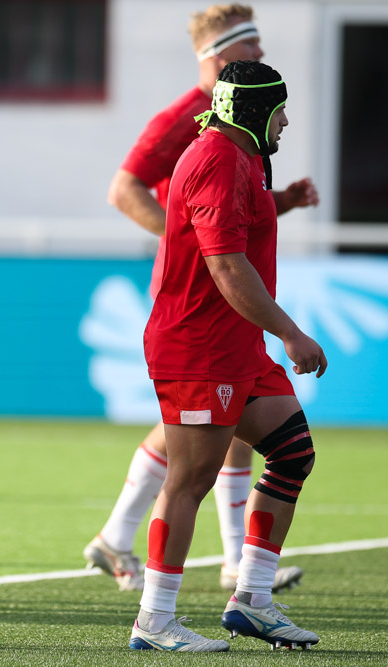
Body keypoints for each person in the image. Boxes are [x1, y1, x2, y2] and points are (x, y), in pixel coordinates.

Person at [88, 3, 315, 593]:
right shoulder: (196, 123)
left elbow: (234, 219)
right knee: (198, 456)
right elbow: (122, 188)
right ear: (218, 56)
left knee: (231, 440)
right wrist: (185, 239)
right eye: (252, 48)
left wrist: (278, 203)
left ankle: (210, 563)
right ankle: (182, 591)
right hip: (202, 297)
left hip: (227, 302)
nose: (261, 57)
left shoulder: (246, 134)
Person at [129, 59, 323, 652]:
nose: (286, 122)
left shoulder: (243, 158)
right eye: (280, 110)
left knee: (292, 454)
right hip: (198, 346)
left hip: (234, 342)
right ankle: (155, 620)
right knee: (189, 480)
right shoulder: (216, 159)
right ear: (257, 111)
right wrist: (290, 332)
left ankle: (253, 599)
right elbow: (225, 265)